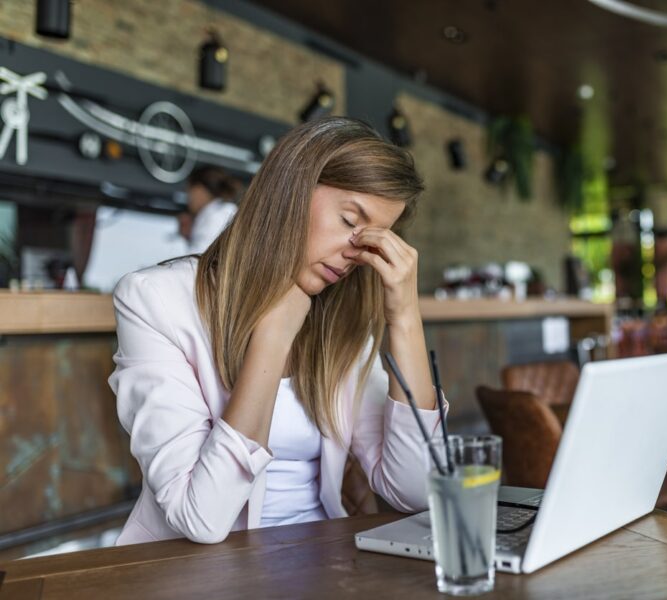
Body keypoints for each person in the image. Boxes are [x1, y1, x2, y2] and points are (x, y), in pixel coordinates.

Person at [110, 117, 443, 545]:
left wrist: (405, 317)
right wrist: (272, 338)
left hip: (325, 564)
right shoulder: (155, 300)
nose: (356, 253)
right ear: (291, 190)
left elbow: (415, 491)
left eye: (375, 238)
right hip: (198, 575)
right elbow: (201, 518)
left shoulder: (338, 323)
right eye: (348, 220)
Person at [177, 167, 242, 253]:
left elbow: (198, 259)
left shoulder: (217, 215)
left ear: (198, 190)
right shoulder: (223, 211)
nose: (188, 199)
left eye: (189, 191)